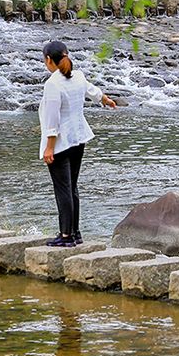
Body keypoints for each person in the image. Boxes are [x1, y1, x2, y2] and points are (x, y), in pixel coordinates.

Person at [38, 39, 116, 247]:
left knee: (63, 189)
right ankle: (75, 233)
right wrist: (106, 100)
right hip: (78, 139)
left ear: (48, 60)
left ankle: (65, 236)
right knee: (72, 188)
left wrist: (49, 147)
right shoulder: (78, 76)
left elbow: (52, 119)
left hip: (61, 144)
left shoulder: (52, 84)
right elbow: (93, 91)